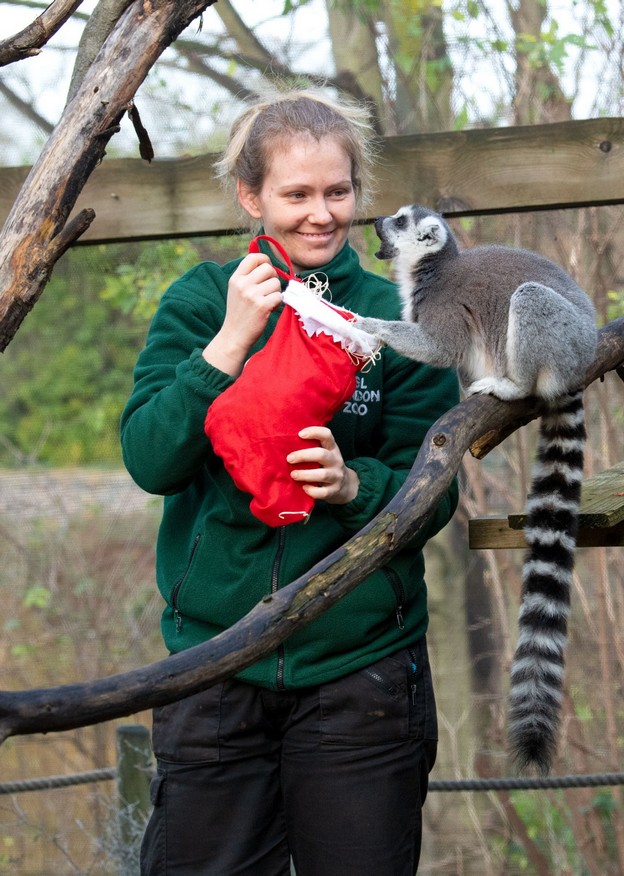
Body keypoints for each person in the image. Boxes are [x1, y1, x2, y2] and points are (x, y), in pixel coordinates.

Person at [120, 88, 460, 875]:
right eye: (296, 194)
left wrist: (355, 488)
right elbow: (150, 460)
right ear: (252, 197)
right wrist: (231, 342)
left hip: (362, 669)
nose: (321, 214)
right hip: (213, 664)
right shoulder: (200, 302)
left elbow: (433, 490)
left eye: (336, 192)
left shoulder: (397, 313)